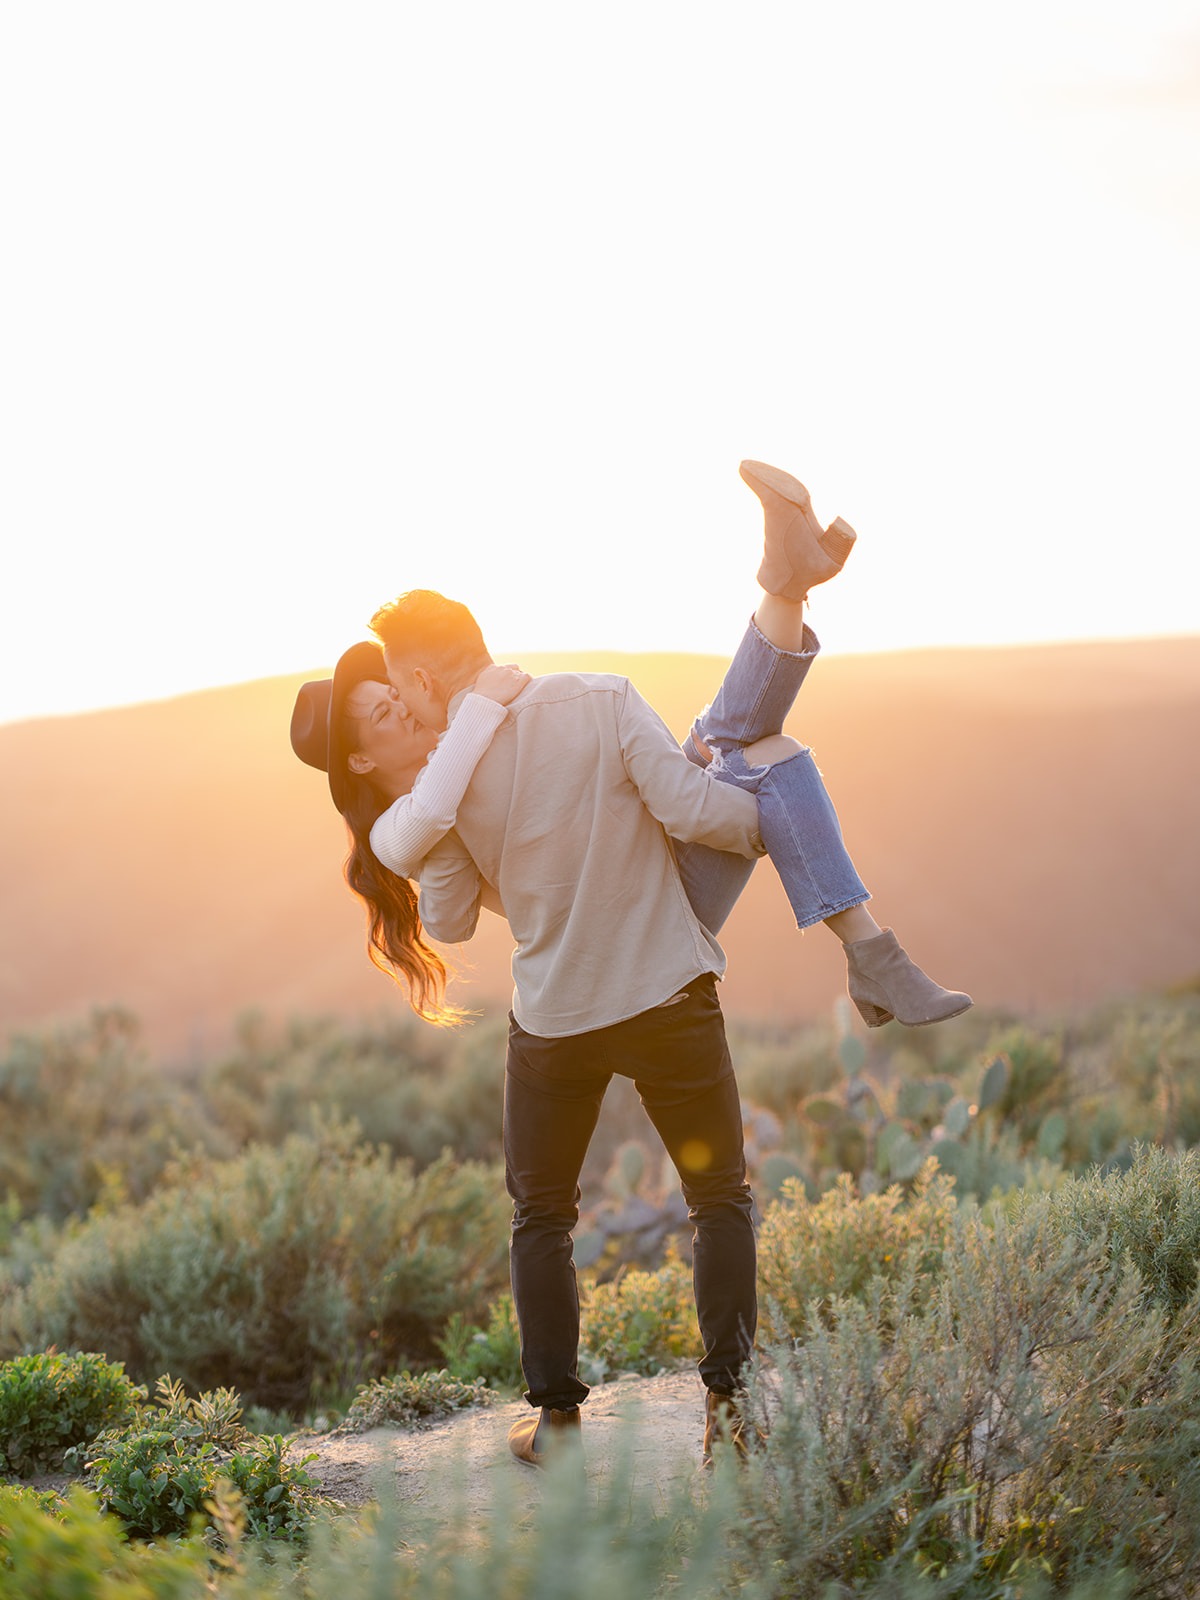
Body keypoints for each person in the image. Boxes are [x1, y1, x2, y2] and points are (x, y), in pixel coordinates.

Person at [289, 460, 970, 1466]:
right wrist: (770, 809)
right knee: (721, 1198)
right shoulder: (597, 696)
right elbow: (697, 817)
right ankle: (729, 1410)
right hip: (665, 988)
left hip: (558, 1019)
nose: (397, 702)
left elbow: (454, 920)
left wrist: (450, 823)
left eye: (396, 686)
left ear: (424, 678)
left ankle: (558, 1418)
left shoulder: (440, 791)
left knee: (542, 1215)